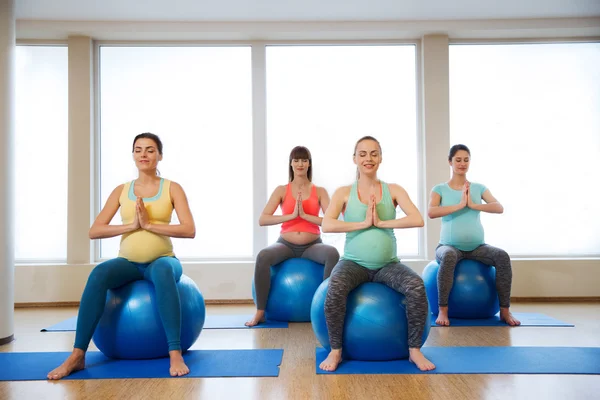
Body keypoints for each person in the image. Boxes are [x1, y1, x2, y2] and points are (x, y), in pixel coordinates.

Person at [47, 133, 196, 380]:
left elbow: (189, 229)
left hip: (164, 260)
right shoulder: (122, 190)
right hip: (128, 262)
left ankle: (175, 352)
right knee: (99, 274)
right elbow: (95, 230)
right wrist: (131, 226)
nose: (144, 155)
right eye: (138, 150)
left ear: (160, 155)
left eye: (150, 150)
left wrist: (149, 225)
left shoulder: (172, 188)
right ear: (133, 155)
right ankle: (77, 355)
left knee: (161, 270)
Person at [319, 136, 435, 372]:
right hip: (353, 263)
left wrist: (381, 222)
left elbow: (418, 219)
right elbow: (327, 224)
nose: (368, 158)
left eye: (373, 153)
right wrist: (362, 223)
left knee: (416, 286)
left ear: (380, 158)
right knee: (335, 288)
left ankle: (414, 350)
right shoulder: (343, 192)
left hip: (387, 265)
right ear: (354, 159)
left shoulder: (393, 190)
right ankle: (336, 350)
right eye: (362, 154)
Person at [246, 146, 340, 327]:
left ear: (309, 164)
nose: (300, 164)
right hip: (286, 245)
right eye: (296, 160)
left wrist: (305, 216)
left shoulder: (319, 191)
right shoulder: (282, 190)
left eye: (304, 160)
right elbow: (263, 219)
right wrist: (291, 216)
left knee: (332, 254)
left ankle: (325, 310)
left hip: (312, 245)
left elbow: (330, 222)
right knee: (263, 256)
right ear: (290, 163)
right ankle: (260, 311)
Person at [428, 144, 520, 327]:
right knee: (448, 255)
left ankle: (504, 311)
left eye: (466, 160)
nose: (462, 163)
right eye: (458, 160)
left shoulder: (478, 188)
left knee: (502, 256)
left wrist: (474, 205)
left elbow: (498, 207)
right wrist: (460, 205)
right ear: (450, 162)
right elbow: (431, 212)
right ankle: (443, 311)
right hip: (448, 246)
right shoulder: (439, 189)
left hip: (478, 247)